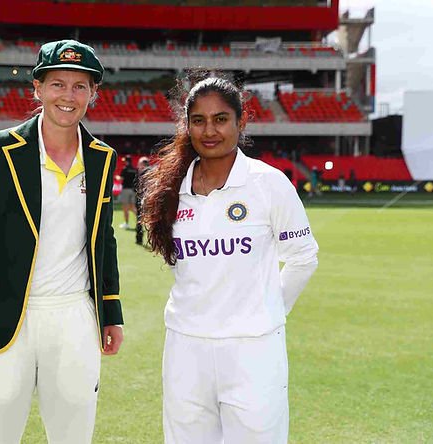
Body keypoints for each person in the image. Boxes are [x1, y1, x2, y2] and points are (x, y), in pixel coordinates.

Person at [0, 39, 124, 444]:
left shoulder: (101, 156)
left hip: (76, 316)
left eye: (81, 86)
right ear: (38, 88)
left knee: (74, 436)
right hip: (4, 317)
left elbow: (104, 240)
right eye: (58, 84)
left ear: (93, 94)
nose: (69, 95)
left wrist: (110, 312)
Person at [141, 75, 319, 444]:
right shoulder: (172, 190)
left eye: (221, 119)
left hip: (252, 349)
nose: (210, 130)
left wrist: (268, 310)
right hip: (186, 347)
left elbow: (303, 259)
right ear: (186, 125)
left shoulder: (268, 184)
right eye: (199, 120)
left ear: (241, 122)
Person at [118, 154, 138, 228]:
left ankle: (126, 224)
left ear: (126, 161)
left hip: (126, 189)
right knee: (132, 207)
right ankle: (140, 221)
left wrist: (117, 177)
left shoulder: (125, 168)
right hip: (132, 190)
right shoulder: (134, 169)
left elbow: (121, 179)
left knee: (125, 207)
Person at [134, 156, 150, 245]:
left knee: (140, 220)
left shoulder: (142, 173)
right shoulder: (152, 171)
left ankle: (139, 239)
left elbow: (137, 187)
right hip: (149, 199)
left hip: (143, 199)